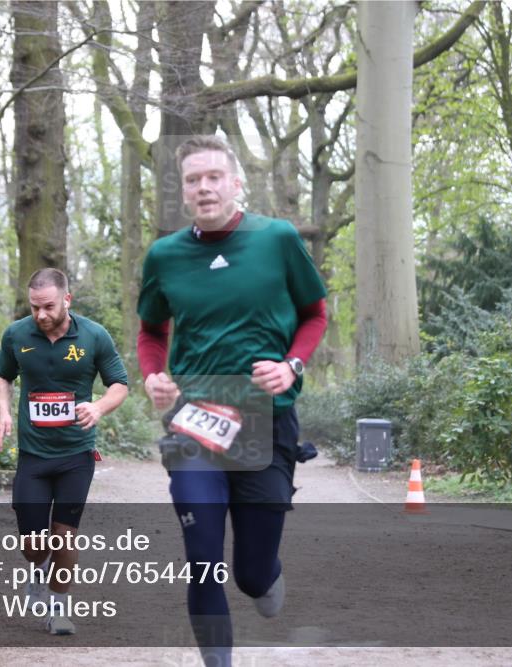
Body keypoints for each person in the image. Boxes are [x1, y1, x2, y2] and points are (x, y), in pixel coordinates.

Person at [137, 135, 328, 666]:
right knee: (201, 558)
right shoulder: (166, 256)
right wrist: (154, 376)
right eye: (193, 180)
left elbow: (315, 314)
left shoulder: (278, 239)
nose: (204, 187)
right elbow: (151, 330)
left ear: (236, 182)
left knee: (251, 572)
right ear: (184, 191)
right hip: (194, 422)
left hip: (268, 422)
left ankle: (264, 574)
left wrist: (291, 365)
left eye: (213, 177)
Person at [0, 267, 129, 636]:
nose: (41, 315)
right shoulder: (17, 334)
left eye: (49, 306)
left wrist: (99, 407)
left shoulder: (94, 336)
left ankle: (58, 609)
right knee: (35, 545)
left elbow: (119, 383)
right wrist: (4, 411)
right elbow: (2, 375)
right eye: (35, 307)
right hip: (33, 456)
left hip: (77, 454)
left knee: (65, 535)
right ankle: (38, 570)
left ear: (66, 300)